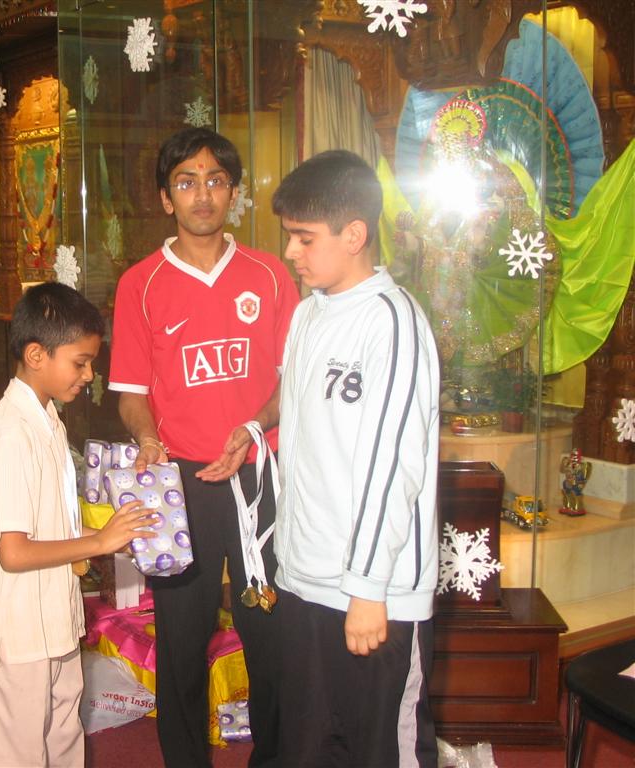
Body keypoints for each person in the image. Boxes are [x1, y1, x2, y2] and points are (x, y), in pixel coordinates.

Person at [109, 127, 299, 767]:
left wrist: (252, 430)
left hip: (258, 478)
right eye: (186, 181)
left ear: (235, 194)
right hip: (179, 484)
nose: (202, 194)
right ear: (166, 198)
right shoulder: (140, 284)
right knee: (183, 642)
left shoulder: (271, 277)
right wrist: (145, 434)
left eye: (216, 180)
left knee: (269, 634)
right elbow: (131, 392)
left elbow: (292, 382)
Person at [270, 150, 441, 767]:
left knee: (376, 752)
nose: (291, 252)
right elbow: (307, 433)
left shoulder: (393, 323)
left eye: (303, 238)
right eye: (290, 236)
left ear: (354, 234)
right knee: (310, 747)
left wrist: (369, 591)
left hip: (374, 592)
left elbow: (393, 462)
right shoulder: (309, 312)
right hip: (307, 576)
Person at [0, 282, 156, 768]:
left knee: (63, 739)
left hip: (53, 620)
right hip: (17, 629)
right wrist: (98, 540)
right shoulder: (10, 433)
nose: (90, 375)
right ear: (35, 354)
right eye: (80, 362)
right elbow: (13, 552)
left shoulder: (48, 419)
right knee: (16, 753)